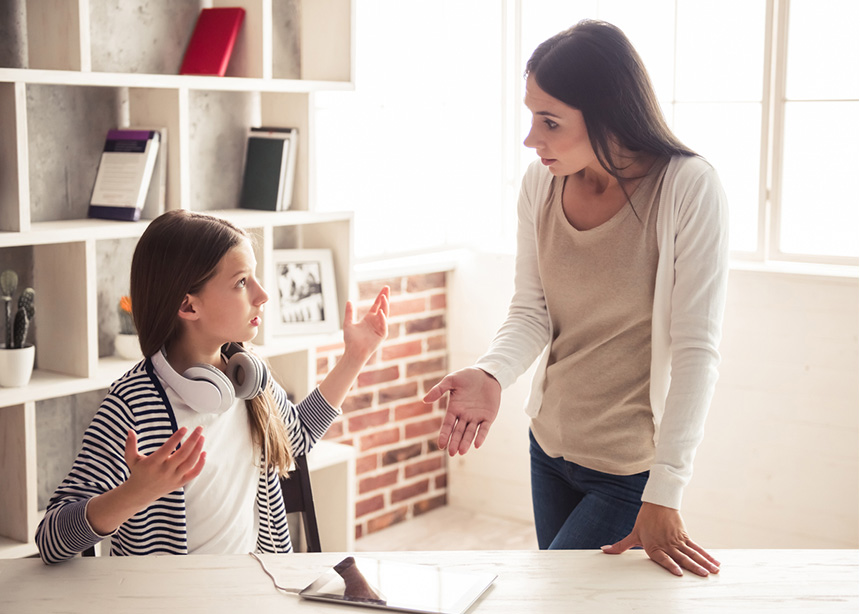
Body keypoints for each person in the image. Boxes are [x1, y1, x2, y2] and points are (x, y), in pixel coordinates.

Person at [424, 20, 728, 578]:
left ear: (608, 112)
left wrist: (666, 490)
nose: (531, 139)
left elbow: (696, 349)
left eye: (550, 121)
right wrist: (492, 373)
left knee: (553, 598)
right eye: (531, 116)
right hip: (550, 449)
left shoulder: (687, 188)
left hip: (628, 470)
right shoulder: (540, 185)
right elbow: (532, 310)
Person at [36, 209, 389, 564]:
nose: (262, 294)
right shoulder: (131, 406)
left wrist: (354, 357)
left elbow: (295, 437)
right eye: (241, 282)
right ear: (188, 305)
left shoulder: (248, 378)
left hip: (258, 589)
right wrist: (134, 493)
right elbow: (51, 540)